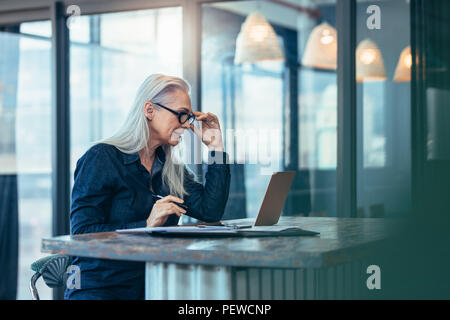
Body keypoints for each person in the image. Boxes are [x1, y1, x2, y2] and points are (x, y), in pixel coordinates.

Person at [65, 74, 230, 300]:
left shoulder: (169, 169)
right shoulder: (102, 158)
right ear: (149, 110)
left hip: (152, 286)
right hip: (100, 289)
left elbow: (210, 211)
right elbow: (81, 235)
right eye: (182, 114)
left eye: (189, 117)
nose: (186, 125)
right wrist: (145, 226)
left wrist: (216, 147)